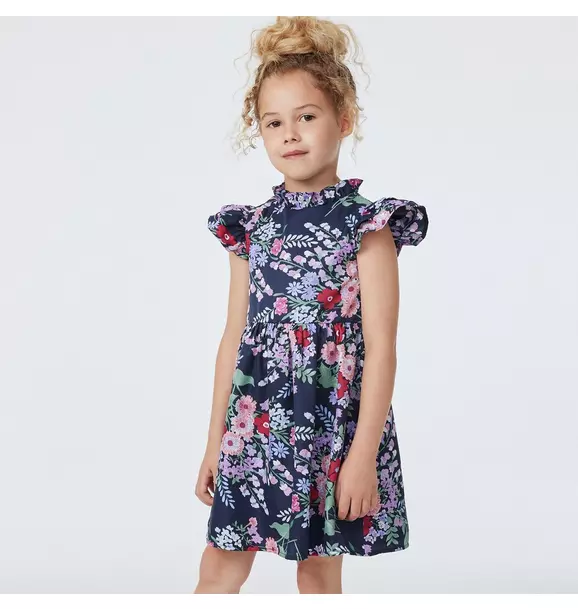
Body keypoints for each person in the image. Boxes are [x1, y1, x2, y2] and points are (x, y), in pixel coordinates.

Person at [194, 16, 429, 594]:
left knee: (319, 572)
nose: (290, 134)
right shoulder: (250, 229)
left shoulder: (367, 226)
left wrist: (363, 455)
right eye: (273, 122)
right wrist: (215, 441)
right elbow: (234, 338)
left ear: (343, 120)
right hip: (255, 428)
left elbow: (380, 347)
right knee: (221, 565)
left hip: (332, 430)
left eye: (307, 116)